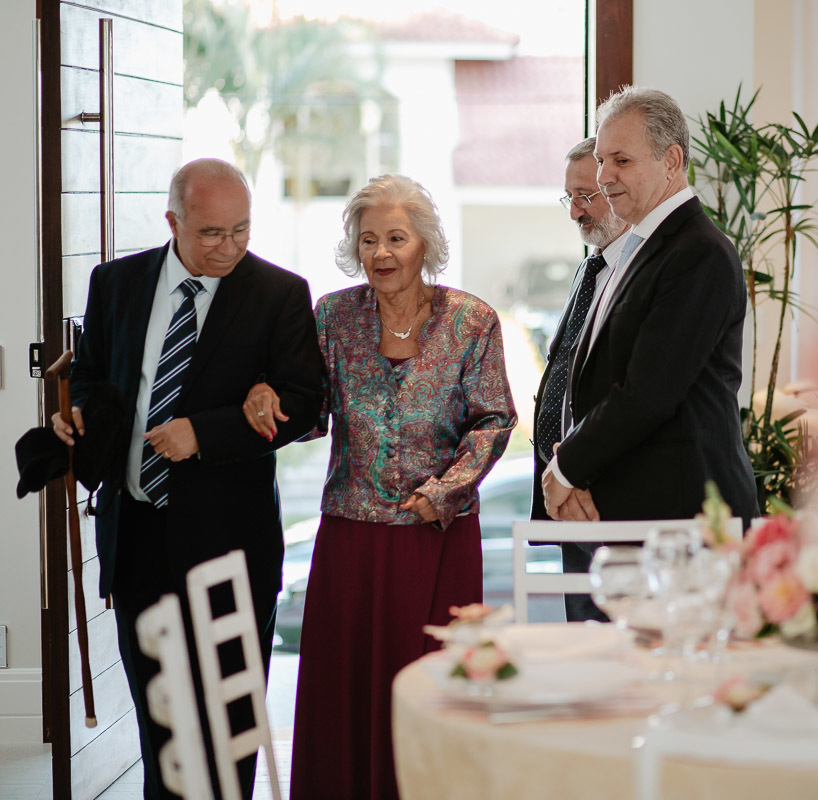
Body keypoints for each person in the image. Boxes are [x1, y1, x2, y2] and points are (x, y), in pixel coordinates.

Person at [51, 158, 325, 800]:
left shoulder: (280, 293)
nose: (228, 247)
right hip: (137, 535)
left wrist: (205, 432)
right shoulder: (114, 283)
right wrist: (81, 415)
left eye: (241, 231)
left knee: (228, 722)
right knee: (162, 721)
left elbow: (306, 404)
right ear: (173, 221)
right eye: (210, 233)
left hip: (230, 542)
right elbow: (91, 375)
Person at [241, 174, 516, 800]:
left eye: (396, 238)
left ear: (426, 244)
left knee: (431, 686)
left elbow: (494, 420)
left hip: (436, 538)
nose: (382, 254)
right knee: (345, 691)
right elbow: (311, 414)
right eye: (368, 241)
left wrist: (444, 491)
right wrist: (265, 393)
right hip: (350, 541)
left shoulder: (472, 321)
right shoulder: (334, 317)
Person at [542, 86, 757, 528]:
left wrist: (567, 467)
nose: (604, 177)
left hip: (687, 520)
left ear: (672, 161)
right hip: (637, 518)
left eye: (622, 161)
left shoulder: (700, 252)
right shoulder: (636, 247)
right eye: (602, 160)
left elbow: (649, 391)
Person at [531, 137, 630, 621]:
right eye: (568, 197)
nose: (575, 212)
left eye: (585, 196)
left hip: (604, 499)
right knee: (583, 636)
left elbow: (633, 395)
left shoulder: (638, 273)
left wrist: (577, 473)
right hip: (569, 498)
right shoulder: (590, 266)